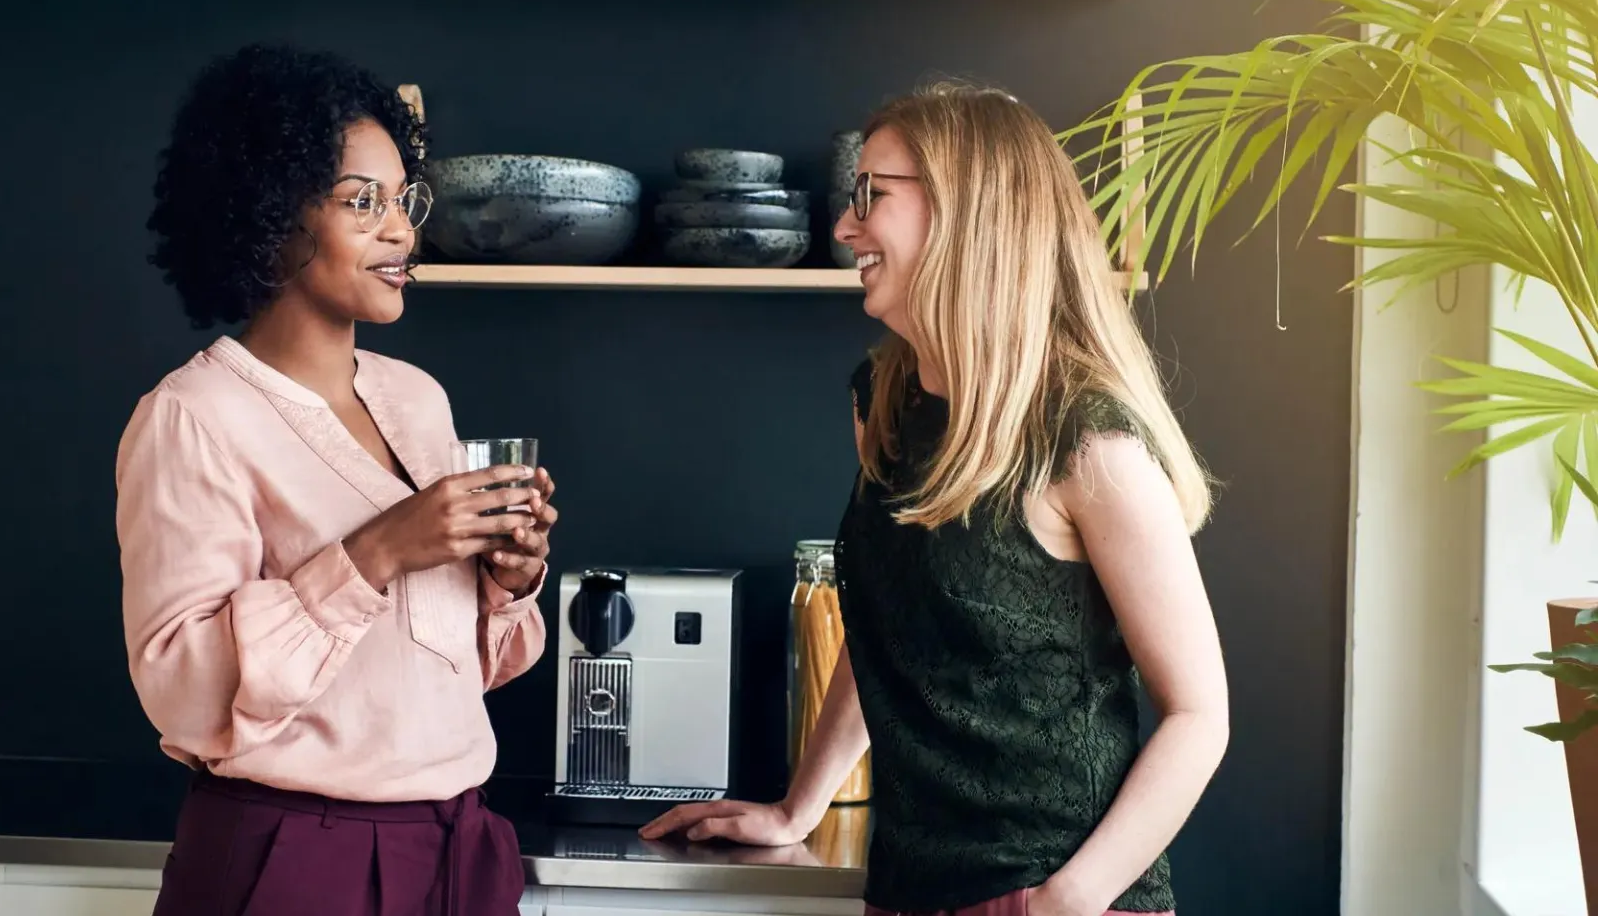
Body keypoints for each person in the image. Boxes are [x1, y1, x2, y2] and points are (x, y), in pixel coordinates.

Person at [641, 84, 1228, 916]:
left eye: (870, 195)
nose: (845, 228)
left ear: (966, 211)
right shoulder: (884, 400)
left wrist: (1065, 901)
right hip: (909, 890)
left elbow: (1201, 714)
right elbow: (887, 628)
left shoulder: (1088, 439)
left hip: (1060, 900)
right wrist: (796, 805)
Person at [114, 44, 558, 916]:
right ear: (271, 213)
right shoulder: (193, 417)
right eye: (363, 203)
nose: (401, 231)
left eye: (404, 201)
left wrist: (506, 582)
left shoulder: (417, 399)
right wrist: (376, 551)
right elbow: (181, 693)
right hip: (293, 863)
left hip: (459, 852)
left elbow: (445, 670)